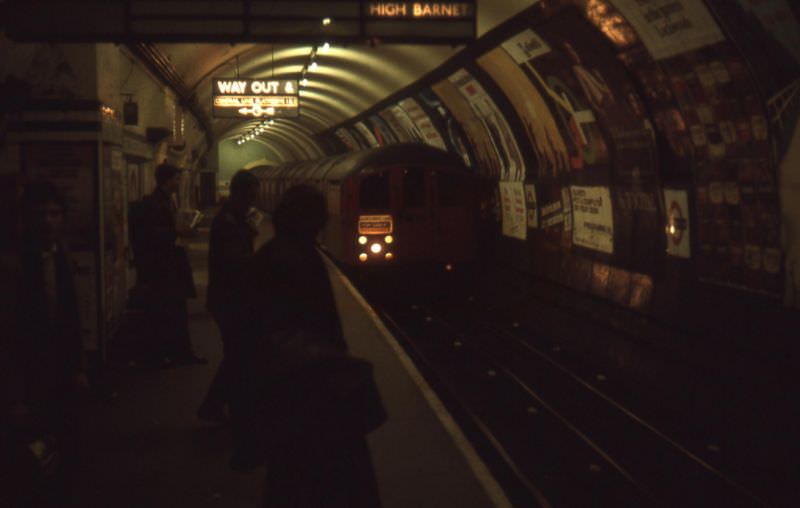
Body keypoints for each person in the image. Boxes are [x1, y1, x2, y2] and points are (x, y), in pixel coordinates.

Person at [235, 184, 384, 507]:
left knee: (290, 480)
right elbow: (314, 325)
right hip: (308, 391)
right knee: (325, 478)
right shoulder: (296, 259)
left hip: (287, 390)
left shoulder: (274, 253)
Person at [0, 181, 88, 507]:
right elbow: (9, 339)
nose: (49, 221)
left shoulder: (60, 255)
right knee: (30, 461)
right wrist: (14, 398)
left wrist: (78, 366)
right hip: (29, 380)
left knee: (62, 452)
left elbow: (70, 317)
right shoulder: (12, 267)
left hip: (61, 375)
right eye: (40, 215)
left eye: (55, 214)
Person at [197, 170, 259, 423]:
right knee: (238, 356)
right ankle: (221, 407)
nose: (255, 199)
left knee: (238, 355)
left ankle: (222, 406)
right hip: (229, 301)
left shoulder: (234, 218)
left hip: (230, 299)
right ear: (241, 192)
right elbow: (234, 261)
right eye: (252, 193)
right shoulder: (229, 222)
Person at [135, 163, 205, 366]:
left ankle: (177, 352)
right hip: (164, 268)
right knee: (168, 310)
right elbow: (152, 235)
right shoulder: (155, 203)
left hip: (170, 266)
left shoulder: (166, 200)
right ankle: (170, 353)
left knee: (175, 310)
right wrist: (177, 232)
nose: (179, 182)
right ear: (166, 180)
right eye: (176, 178)